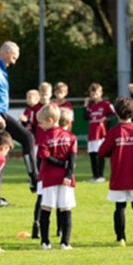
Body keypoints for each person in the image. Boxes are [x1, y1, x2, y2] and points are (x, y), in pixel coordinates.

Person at [0, 41, 38, 206]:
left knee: (2, 152)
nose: (14, 62)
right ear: (6, 52)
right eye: (13, 58)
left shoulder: (1, 67)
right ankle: (34, 178)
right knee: (27, 138)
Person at [98, 97, 133, 247]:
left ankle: (121, 238)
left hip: (119, 176)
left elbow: (102, 152)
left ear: (116, 113)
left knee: (120, 207)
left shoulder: (114, 132)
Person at [36, 104, 77, 251]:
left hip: (49, 177)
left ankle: (45, 242)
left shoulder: (44, 137)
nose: (40, 126)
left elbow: (45, 156)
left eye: (41, 122)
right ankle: (65, 243)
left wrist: (60, 164)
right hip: (66, 178)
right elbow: (73, 159)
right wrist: (69, 173)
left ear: (50, 120)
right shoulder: (70, 137)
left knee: (46, 208)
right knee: (66, 209)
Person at [84, 83, 115, 183]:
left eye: (96, 94)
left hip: (101, 134)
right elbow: (85, 117)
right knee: (92, 154)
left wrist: (106, 118)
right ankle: (95, 176)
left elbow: (113, 115)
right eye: (92, 94)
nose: (94, 96)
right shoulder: (90, 105)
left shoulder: (106, 104)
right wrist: (85, 106)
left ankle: (101, 175)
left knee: (100, 154)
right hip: (92, 134)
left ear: (101, 93)